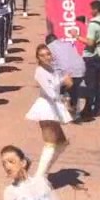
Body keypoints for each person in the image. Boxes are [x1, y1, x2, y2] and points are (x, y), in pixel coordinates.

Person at [28, 44, 74, 179]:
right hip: (46, 108)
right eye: (42, 55)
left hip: (54, 107)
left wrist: (65, 81)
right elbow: (49, 91)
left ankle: (43, 172)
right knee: (50, 143)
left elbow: (56, 85)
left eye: (48, 54)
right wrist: (63, 83)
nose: (46, 57)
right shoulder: (39, 71)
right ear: (38, 58)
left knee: (62, 142)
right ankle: (39, 177)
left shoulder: (52, 69)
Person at [78, 0, 100, 120]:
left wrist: (77, 37)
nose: (90, 11)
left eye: (91, 9)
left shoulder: (93, 24)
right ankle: (97, 106)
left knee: (90, 84)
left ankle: (88, 110)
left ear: (95, 10)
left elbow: (90, 42)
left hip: (92, 56)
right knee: (98, 82)